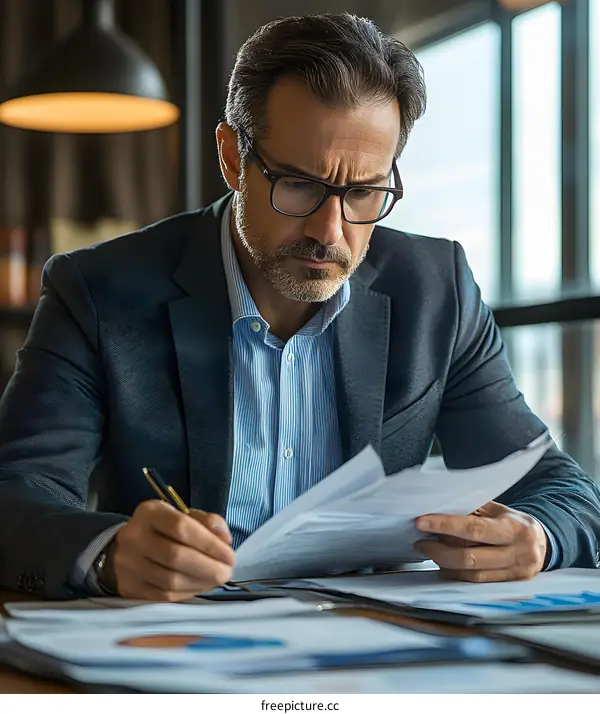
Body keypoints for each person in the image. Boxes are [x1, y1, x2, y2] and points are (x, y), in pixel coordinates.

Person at [0, 13, 599, 602]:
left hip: (377, 653)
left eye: (364, 191)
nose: (330, 232)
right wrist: (109, 555)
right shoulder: (98, 290)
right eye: (300, 185)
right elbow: (15, 498)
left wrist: (538, 538)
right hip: (178, 645)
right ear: (233, 158)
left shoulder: (436, 289)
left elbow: (560, 490)